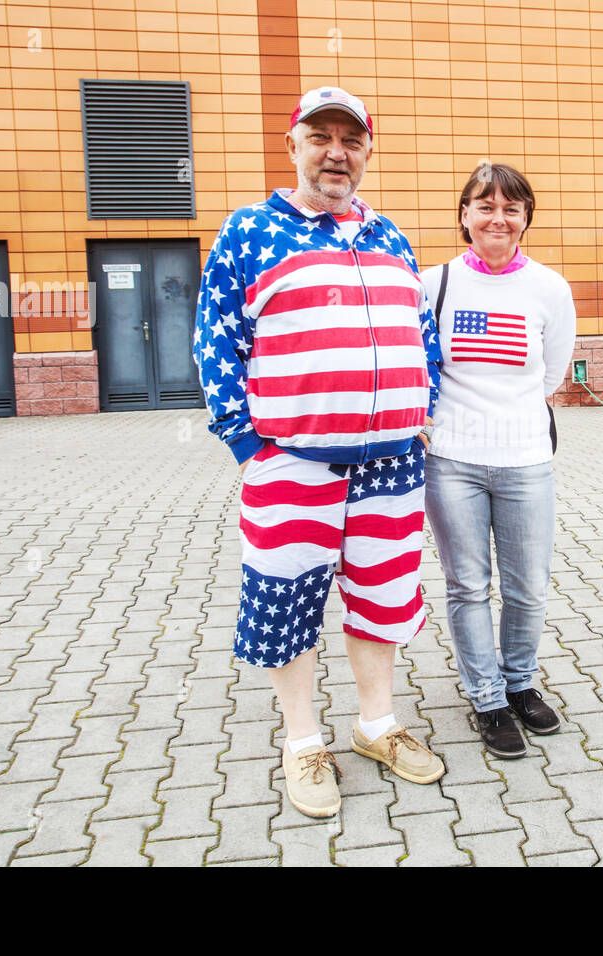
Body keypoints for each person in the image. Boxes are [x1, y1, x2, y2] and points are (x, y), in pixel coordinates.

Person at [193, 87, 444, 818]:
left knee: (382, 596)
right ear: (293, 145)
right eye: (320, 136)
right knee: (285, 601)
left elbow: (421, 334)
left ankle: (376, 726)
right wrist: (247, 444)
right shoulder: (249, 231)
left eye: (352, 139)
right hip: (292, 462)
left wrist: (421, 409)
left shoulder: (389, 236)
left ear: (368, 150)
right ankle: (302, 741)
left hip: (392, 461)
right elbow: (215, 343)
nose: (337, 151)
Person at [420, 162, 577, 758]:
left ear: (526, 219)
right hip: (453, 460)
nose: (497, 218)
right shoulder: (433, 284)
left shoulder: (549, 288)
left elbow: (553, 371)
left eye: (511, 208)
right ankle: (487, 698)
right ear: (464, 216)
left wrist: (510, 422)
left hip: (525, 460)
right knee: (467, 585)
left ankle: (519, 684)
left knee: (528, 587)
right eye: (485, 206)